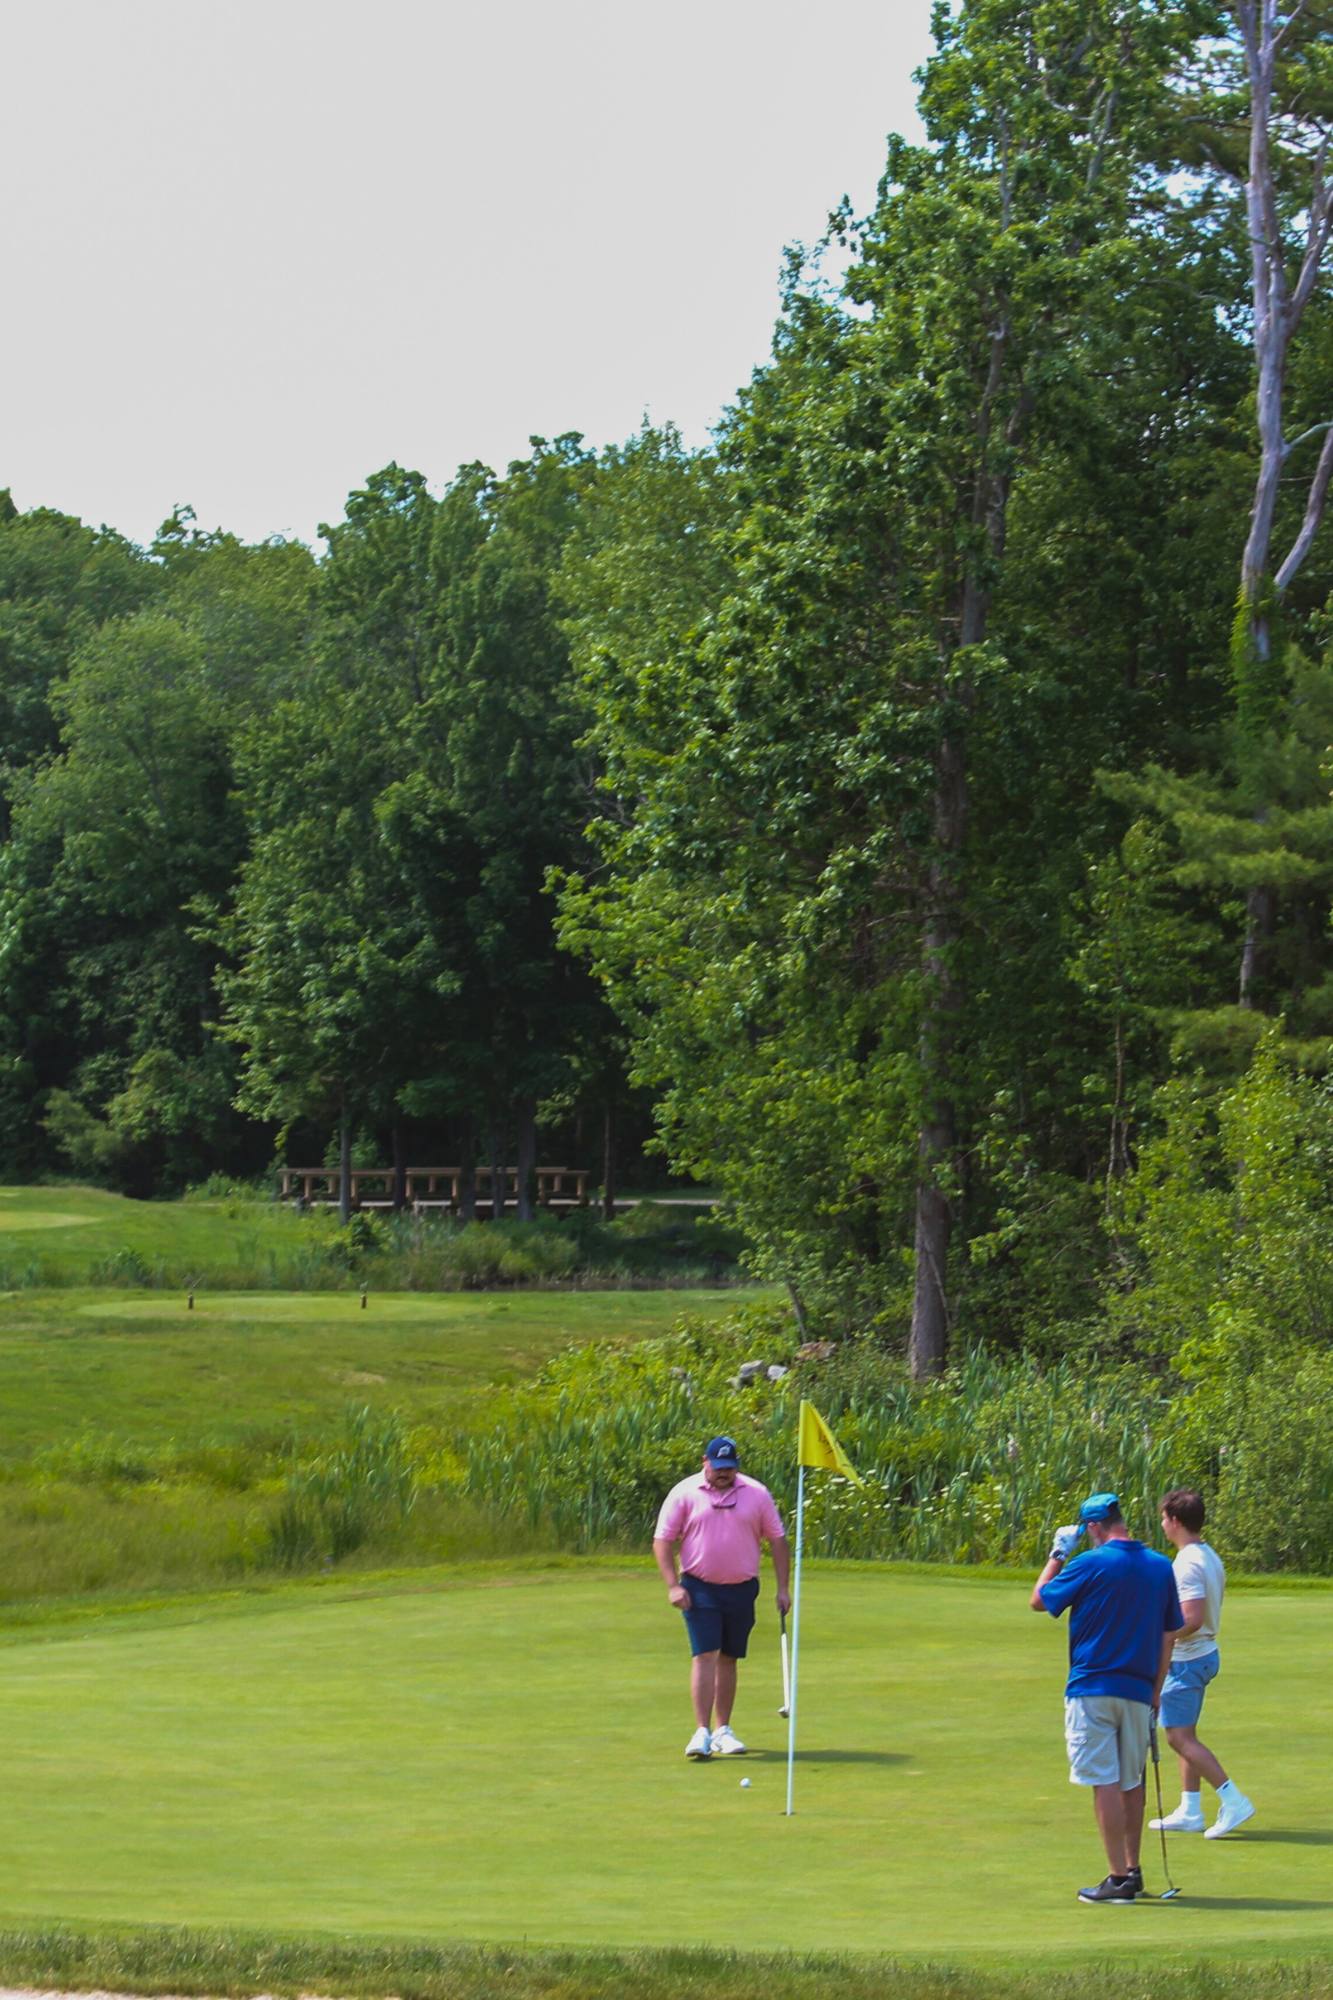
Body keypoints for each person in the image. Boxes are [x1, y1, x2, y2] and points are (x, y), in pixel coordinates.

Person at [1030, 1491, 1183, 1903]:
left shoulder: (1087, 1562)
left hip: (1092, 1688)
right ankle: (1132, 1871)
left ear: (1094, 1527)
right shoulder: (1160, 1566)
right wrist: (1155, 1690)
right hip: (1138, 1690)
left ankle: (1117, 1881)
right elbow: (1170, 1634)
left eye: (1087, 1530)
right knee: (1131, 1782)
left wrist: (1058, 1554)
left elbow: (1038, 1600)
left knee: (1105, 1782)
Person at [653, 1434, 791, 1760]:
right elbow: (663, 1540)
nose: (724, 1474)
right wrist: (673, 1584)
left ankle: (722, 1730)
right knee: (705, 1654)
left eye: (729, 1468)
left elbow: (777, 1540)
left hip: (742, 1588)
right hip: (699, 1586)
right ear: (705, 1462)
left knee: (729, 1656)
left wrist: (783, 1588)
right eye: (718, 1467)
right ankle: (701, 1731)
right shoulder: (685, 1492)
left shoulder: (756, 1494)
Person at [1150, 1486, 1255, 1838]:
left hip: (1187, 1660)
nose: (1162, 1524)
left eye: (1164, 1518)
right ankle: (1191, 1809)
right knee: (1186, 1732)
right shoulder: (1207, 1554)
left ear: (1176, 1521)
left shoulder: (1188, 1564)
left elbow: (1191, 1617)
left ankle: (1233, 1799)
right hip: (1203, 1654)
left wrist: (1160, 1634)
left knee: (1179, 1738)